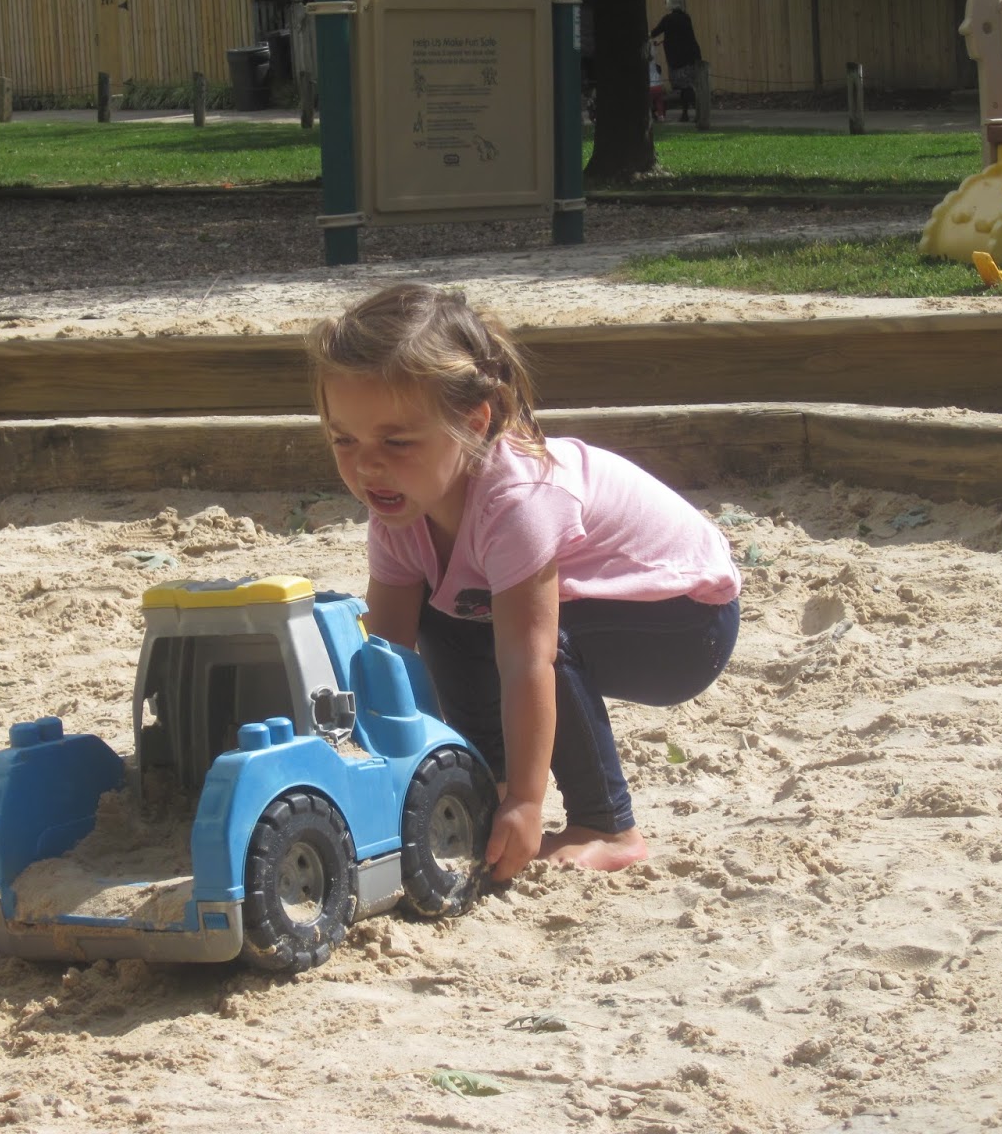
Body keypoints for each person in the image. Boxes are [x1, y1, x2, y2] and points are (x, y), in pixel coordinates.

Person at [305, 285, 741, 882]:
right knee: (450, 619)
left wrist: (529, 805)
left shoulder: (517, 501)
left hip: (684, 621)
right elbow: (387, 654)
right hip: (595, 608)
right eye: (343, 440)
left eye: (397, 441)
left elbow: (528, 661)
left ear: (473, 422)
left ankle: (605, 825)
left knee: (538, 643)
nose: (366, 465)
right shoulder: (398, 509)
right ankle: (486, 783)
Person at [650, 0, 702, 122]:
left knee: (684, 87)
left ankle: (693, 112)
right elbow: (682, 36)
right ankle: (690, 112)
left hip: (678, 59)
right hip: (691, 56)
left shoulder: (668, 19)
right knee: (688, 86)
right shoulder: (686, 18)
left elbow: (654, 32)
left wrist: (646, 37)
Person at [649, 56, 667, 121]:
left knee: (649, 103)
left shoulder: (645, 66)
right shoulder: (657, 66)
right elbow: (660, 72)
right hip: (658, 86)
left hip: (650, 87)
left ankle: (651, 116)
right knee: (659, 102)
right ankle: (661, 116)